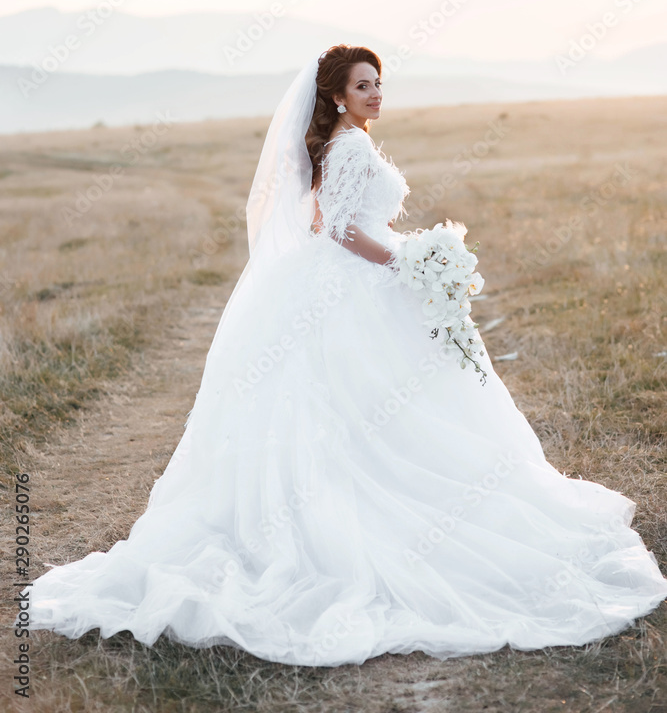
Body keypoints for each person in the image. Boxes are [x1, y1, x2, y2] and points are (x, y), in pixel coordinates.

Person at [26, 44, 667, 667]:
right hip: (355, 284)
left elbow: (318, 223)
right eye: (363, 85)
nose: (375, 94)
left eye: (379, 84)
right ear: (335, 95)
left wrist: (403, 253)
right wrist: (408, 260)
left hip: (335, 281)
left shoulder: (339, 145)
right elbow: (337, 229)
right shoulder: (351, 144)